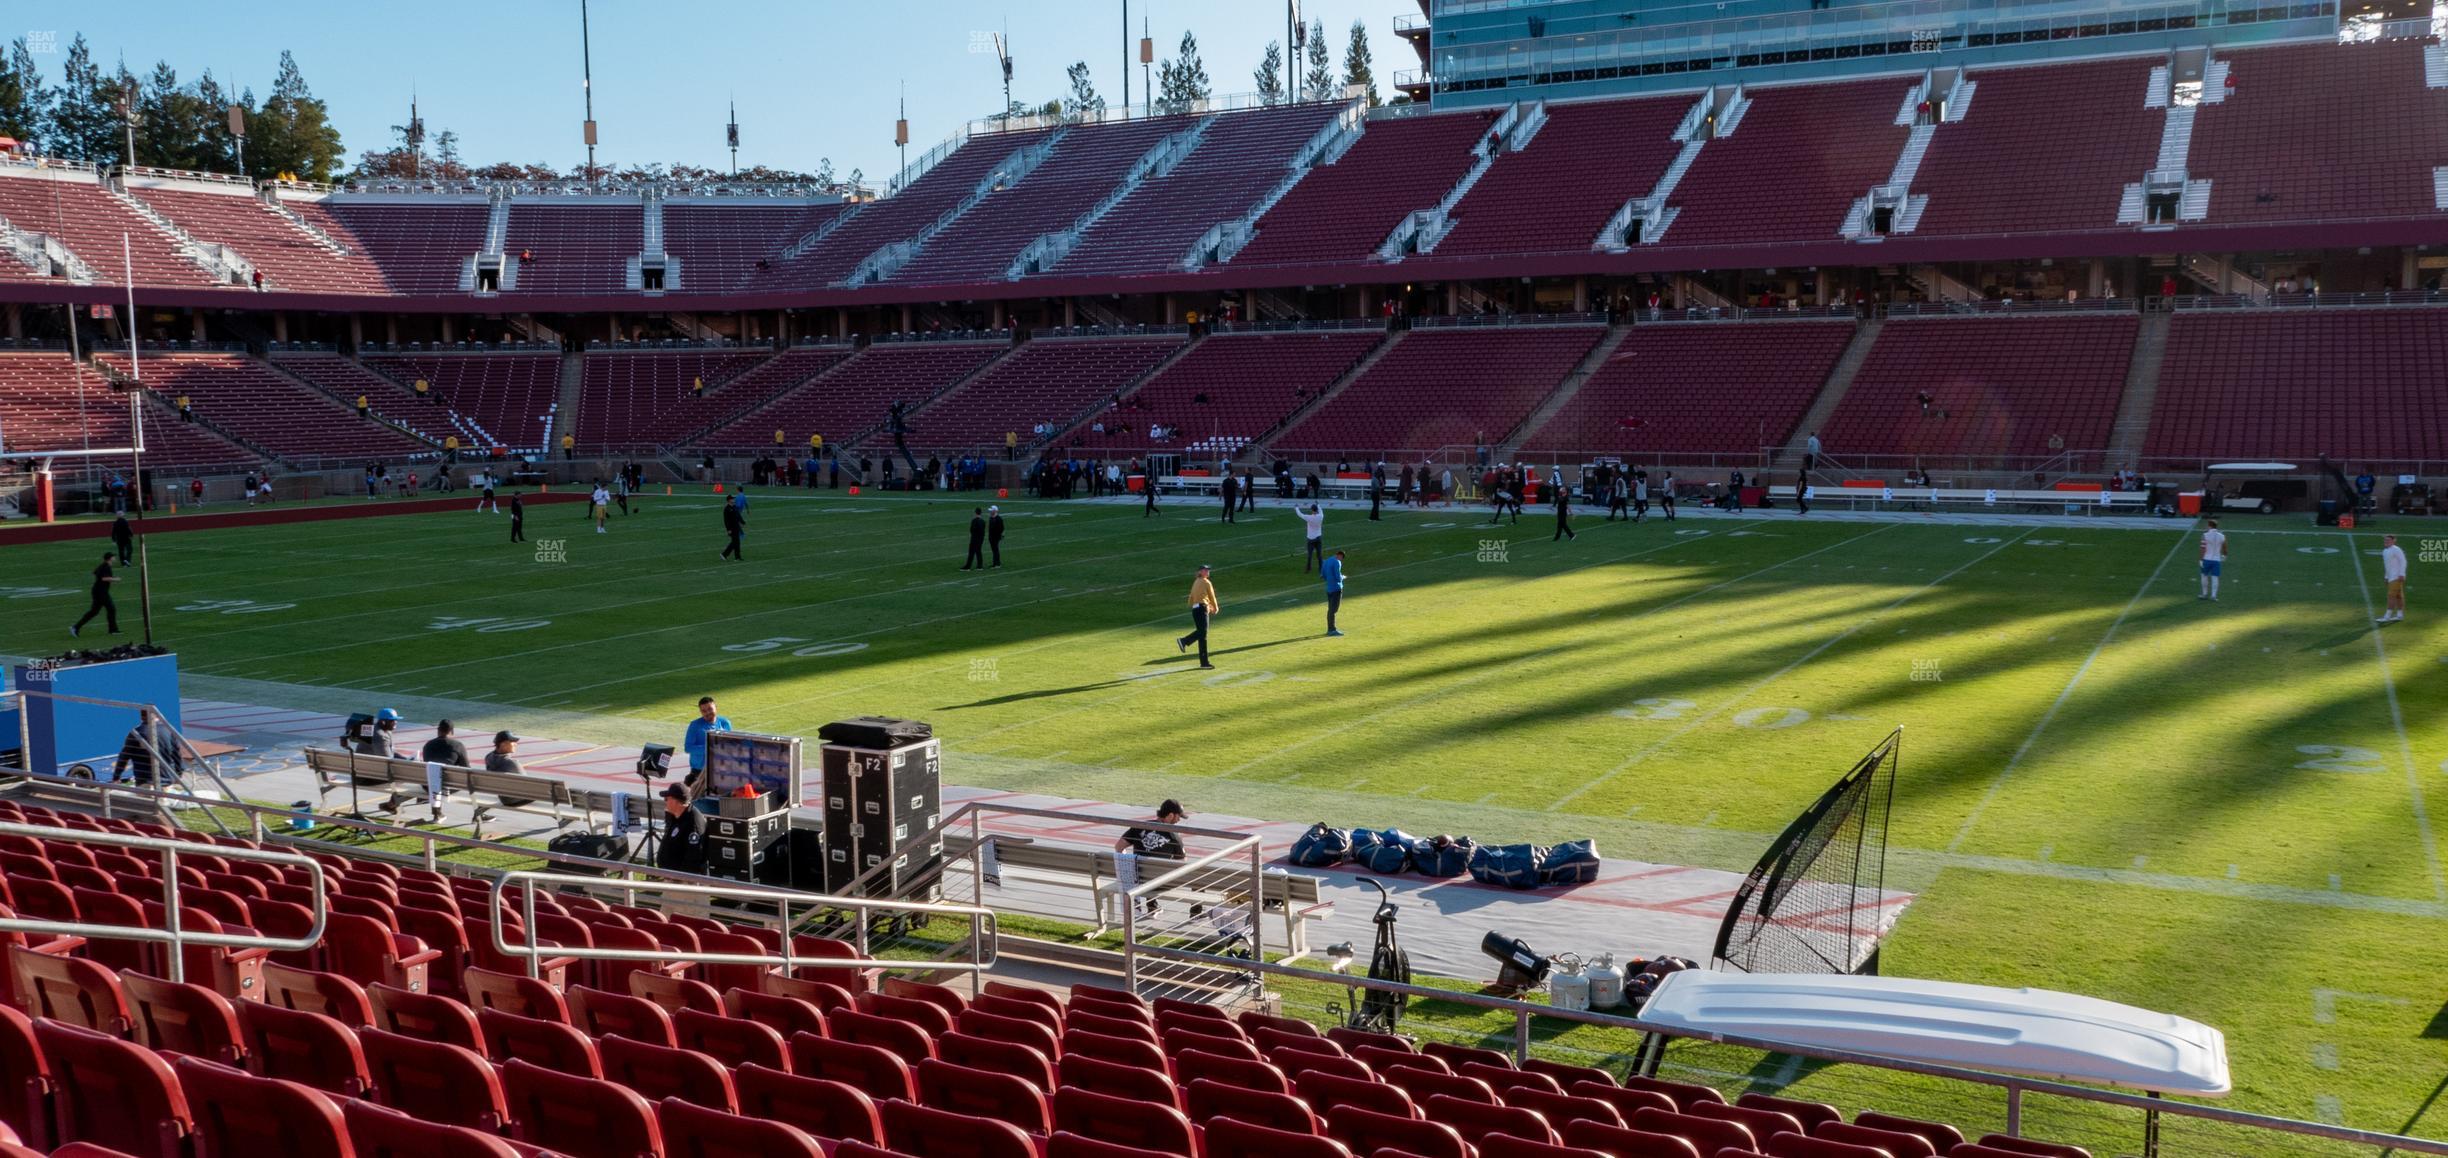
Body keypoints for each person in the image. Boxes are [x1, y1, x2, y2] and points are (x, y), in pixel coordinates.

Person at [112, 707, 182, 787]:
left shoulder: (136, 733)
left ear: (142, 717)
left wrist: (116, 777)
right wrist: (179, 773)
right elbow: (177, 754)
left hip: (145, 781)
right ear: (157, 715)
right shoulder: (168, 731)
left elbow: (124, 757)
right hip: (167, 780)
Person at [655, 783, 706, 873]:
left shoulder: (693, 822)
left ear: (676, 801)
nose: (665, 802)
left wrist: (679, 879)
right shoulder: (675, 816)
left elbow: (693, 857)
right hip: (670, 875)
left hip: (683, 880)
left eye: (667, 799)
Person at [683, 696, 734, 785]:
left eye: (710, 709)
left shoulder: (725, 723)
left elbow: (731, 744)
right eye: (704, 711)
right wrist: (709, 748)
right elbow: (688, 748)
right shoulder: (695, 725)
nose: (707, 713)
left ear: (716, 707)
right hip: (699, 772)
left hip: (720, 770)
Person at [1176, 565, 1218, 670]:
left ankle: (1204, 663)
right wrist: (1215, 608)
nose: (1208, 571)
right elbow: (1212, 596)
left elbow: (1191, 597)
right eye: (1205, 570)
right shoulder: (1206, 582)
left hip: (1195, 609)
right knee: (1203, 632)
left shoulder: (1196, 581)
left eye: (1208, 569)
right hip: (1202, 608)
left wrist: (1196, 604)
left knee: (1202, 635)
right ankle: (1184, 641)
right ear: (1201, 572)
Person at [70, 552, 119, 637]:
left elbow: (95, 572)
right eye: (113, 557)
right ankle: (113, 630)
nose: (114, 558)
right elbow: (104, 578)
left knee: (94, 612)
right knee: (111, 609)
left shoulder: (102, 565)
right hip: (101, 592)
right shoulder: (106, 567)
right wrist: (115, 579)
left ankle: (76, 627)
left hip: (97, 591)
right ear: (110, 558)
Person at [2379, 534, 2408, 623]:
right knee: (2398, 596)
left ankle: (2387, 616)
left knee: (2391, 596)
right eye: (2385, 540)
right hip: (2391, 577)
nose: (2386, 541)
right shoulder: (2385, 551)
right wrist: (2386, 576)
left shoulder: (2396, 549)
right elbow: (2387, 566)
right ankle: (2399, 615)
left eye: (2388, 540)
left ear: (2393, 541)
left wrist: (2402, 574)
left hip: (2396, 576)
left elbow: (2403, 561)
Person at [2198, 518, 2226, 602]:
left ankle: (2204, 594)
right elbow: (2225, 548)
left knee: (2204, 576)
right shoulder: (2222, 536)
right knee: (2215, 578)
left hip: (2206, 559)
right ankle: (2213, 596)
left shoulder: (2205, 535)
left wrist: (2201, 559)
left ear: (2209, 526)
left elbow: (2203, 548)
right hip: (2216, 560)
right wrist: (2224, 556)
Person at [1322, 549, 1346, 637]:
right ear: (1340, 556)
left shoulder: (1327, 561)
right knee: (1333, 609)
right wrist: (1342, 577)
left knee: (1331, 609)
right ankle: (1331, 629)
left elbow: (1323, 574)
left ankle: (1330, 628)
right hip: (1336, 588)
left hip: (1329, 588)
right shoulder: (1337, 562)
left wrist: (1329, 580)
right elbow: (1337, 576)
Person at [1299, 503, 1325, 573]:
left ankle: (1308, 568)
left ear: (1312, 510)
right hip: (1318, 537)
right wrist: (1319, 504)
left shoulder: (1309, 517)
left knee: (1310, 555)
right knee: (1319, 555)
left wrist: (1296, 508)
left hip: (1310, 538)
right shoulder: (1321, 516)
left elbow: (1300, 515)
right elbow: (1321, 510)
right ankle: (1321, 568)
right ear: (1317, 510)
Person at [720, 494, 745, 561]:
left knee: (736, 542)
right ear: (729, 500)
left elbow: (738, 515)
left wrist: (742, 522)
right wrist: (728, 529)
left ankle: (737, 557)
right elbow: (726, 520)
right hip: (732, 528)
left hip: (737, 527)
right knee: (735, 542)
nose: (734, 500)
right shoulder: (726, 509)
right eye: (732, 499)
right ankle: (725, 554)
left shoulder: (734, 507)